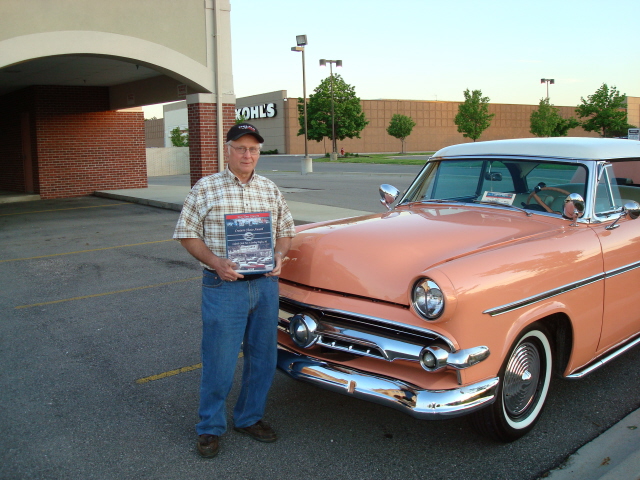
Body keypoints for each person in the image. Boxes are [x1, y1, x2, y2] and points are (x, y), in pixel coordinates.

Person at [173, 123, 296, 458]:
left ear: (259, 152)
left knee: (263, 358)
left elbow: (285, 230)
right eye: (240, 148)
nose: (247, 154)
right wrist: (215, 261)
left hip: (266, 286)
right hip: (224, 286)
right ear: (227, 150)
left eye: (253, 149)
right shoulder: (206, 188)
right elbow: (187, 233)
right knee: (219, 361)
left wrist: (280, 255)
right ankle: (209, 427)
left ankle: (249, 417)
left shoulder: (270, 189)